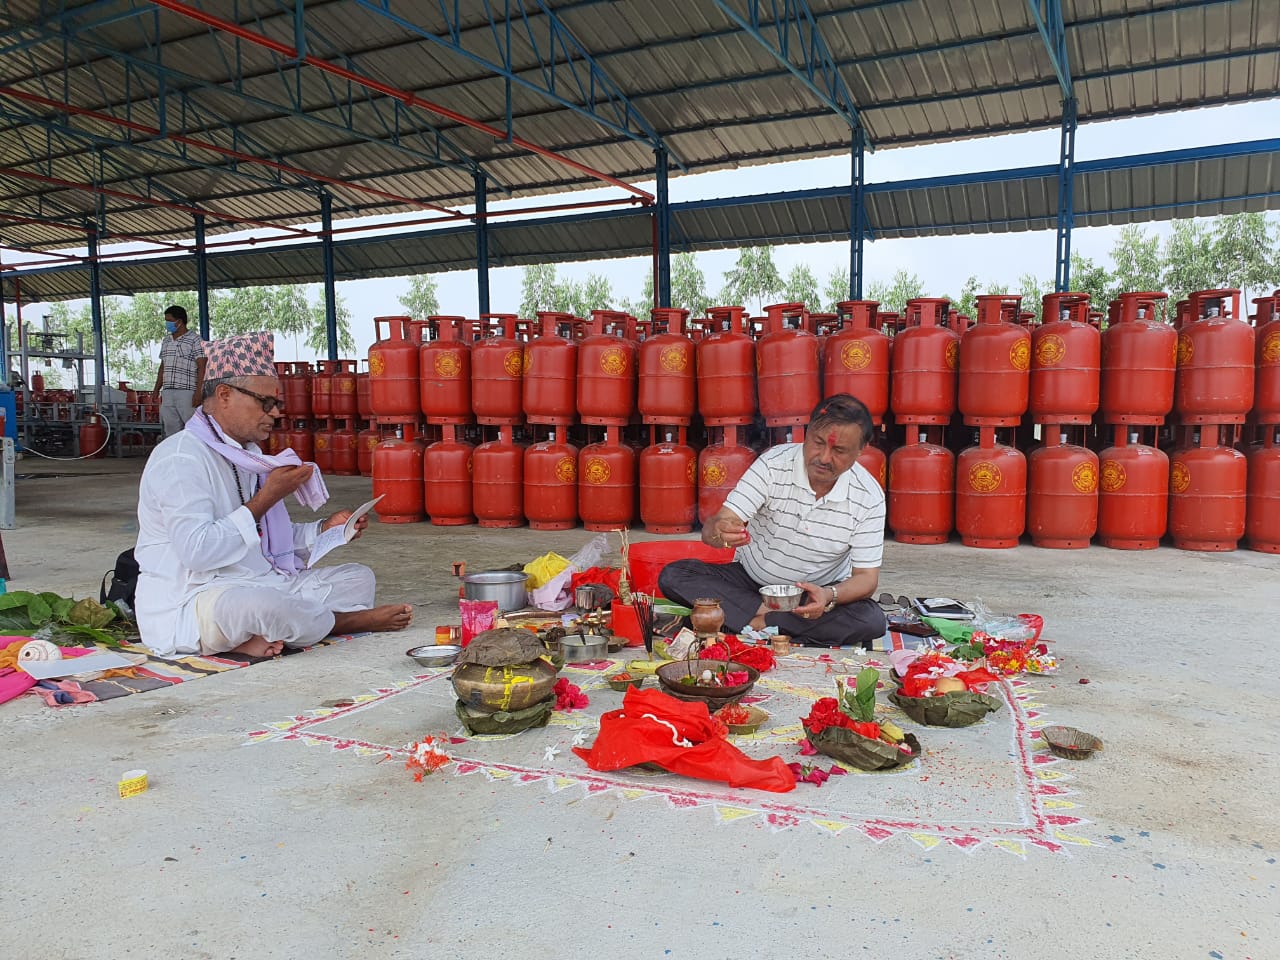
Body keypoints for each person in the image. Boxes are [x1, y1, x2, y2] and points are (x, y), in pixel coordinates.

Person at [134, 331, 412, 659]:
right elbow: (199, 551)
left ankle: (269, 633)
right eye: (265, 403)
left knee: (357, 578)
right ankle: (340, 622)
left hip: (262, 581)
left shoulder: (247, 455)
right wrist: (267, 497)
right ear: (224, 395)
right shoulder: (181, 457)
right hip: (197, 599)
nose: (276, 413)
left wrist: (325, 530)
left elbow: (265, 540)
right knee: (261, 606)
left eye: (277, 403)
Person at [659, 394, 887, 648]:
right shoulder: (773, 464)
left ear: (860, 450)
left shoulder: (869, 497)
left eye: (839, 450)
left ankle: (753, 622)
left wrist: (829, 595)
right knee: (675, 575)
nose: (823, 457)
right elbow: (718, 526)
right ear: (806, 433)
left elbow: (866, 578)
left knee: (871, 620)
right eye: (817, 442)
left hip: (812, 597)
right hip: (749, 585)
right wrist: (720, 530)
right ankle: (773, 622)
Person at [153, 305, 206, 437]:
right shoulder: (166, 341)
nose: (167, 324)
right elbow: (163, 366)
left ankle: (196, 455)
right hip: (168, 392)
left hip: (187, 392)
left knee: (193, 428)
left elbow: (202, 366)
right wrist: (156, 389)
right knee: (170, 429)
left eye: (169, 320)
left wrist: (199, 392)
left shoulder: (195, 339)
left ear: (179, 321)